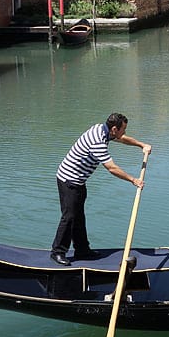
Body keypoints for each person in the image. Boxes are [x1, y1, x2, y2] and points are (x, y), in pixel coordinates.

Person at [51, 112, 152, 265]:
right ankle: (57, 252)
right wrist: (134, 180)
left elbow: (122, 139)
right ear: (113, 130)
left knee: (78, 217)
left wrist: (141, 145)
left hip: (79, 182)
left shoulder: (102, 129)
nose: (124, 133)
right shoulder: (97, 141)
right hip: (68, 180)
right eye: (122, 129)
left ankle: (82, 250)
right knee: (69, 217)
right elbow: (112, 168)